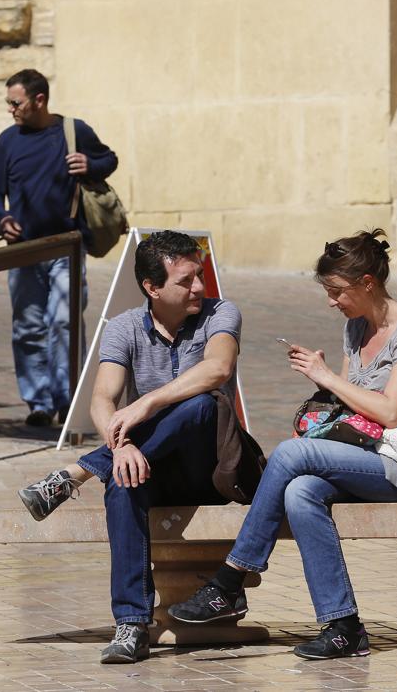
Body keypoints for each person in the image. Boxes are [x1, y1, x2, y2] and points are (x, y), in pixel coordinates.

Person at [164, 230, 397, 660]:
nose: (332, 302)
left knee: (289, 454)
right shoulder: (355, 328)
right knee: (301, 491)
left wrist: (325, 376)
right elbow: (350, 409)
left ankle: (230, 580)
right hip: (368, 456)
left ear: (367, 283)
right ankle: (343, 627)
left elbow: (394, 412)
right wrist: (323, 410)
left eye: (337, 292)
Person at [15, 230, 243, 664]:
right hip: (151, 465)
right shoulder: (123, 327)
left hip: (212, 468)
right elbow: (102, 400)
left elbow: (218, 368)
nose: (199, 287)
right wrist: (119, 449)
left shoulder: (220, 314)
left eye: (200, 276)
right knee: (122, 482)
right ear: (151, 288)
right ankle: (132, 625)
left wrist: (146, 404)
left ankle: (78, 472)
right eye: (185, 281)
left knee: (200, 404)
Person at [0, 68, 119, 427]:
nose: (11, 109)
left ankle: (70, 401)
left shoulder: (74, 132)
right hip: (23, 251)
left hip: (67, 250)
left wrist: (91, 164)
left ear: (39, 100)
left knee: (64, 322)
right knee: (27, 326)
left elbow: (109, 160)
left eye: (16, 102)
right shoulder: (8, 142)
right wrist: (1, 218)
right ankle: (39, 403)